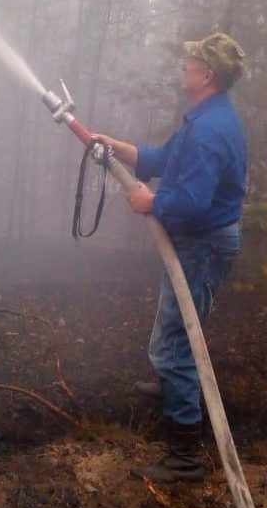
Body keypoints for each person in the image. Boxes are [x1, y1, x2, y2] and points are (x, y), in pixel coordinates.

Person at [93, 33, 247, 484]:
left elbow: (193, 201)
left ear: (208, 75)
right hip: (199, 243)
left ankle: (185, 456)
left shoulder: (209, 130)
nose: (183, 64)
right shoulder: (206, 119)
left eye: (191, 61)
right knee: (173, 335)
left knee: (175, 344)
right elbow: (166, 160)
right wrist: (118, 147)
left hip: (202, 245)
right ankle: (170, 385)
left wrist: (152, 203)